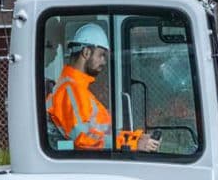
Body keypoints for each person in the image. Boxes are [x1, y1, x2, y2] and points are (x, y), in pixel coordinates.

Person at [46, 22, 160, 152]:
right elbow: (84, 138)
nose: (104, 62)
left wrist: (137, 138)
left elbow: (103, 134)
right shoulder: (69, 91)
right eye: (101, 55)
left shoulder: (78, 90)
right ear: (86, 52)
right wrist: (132, 144)